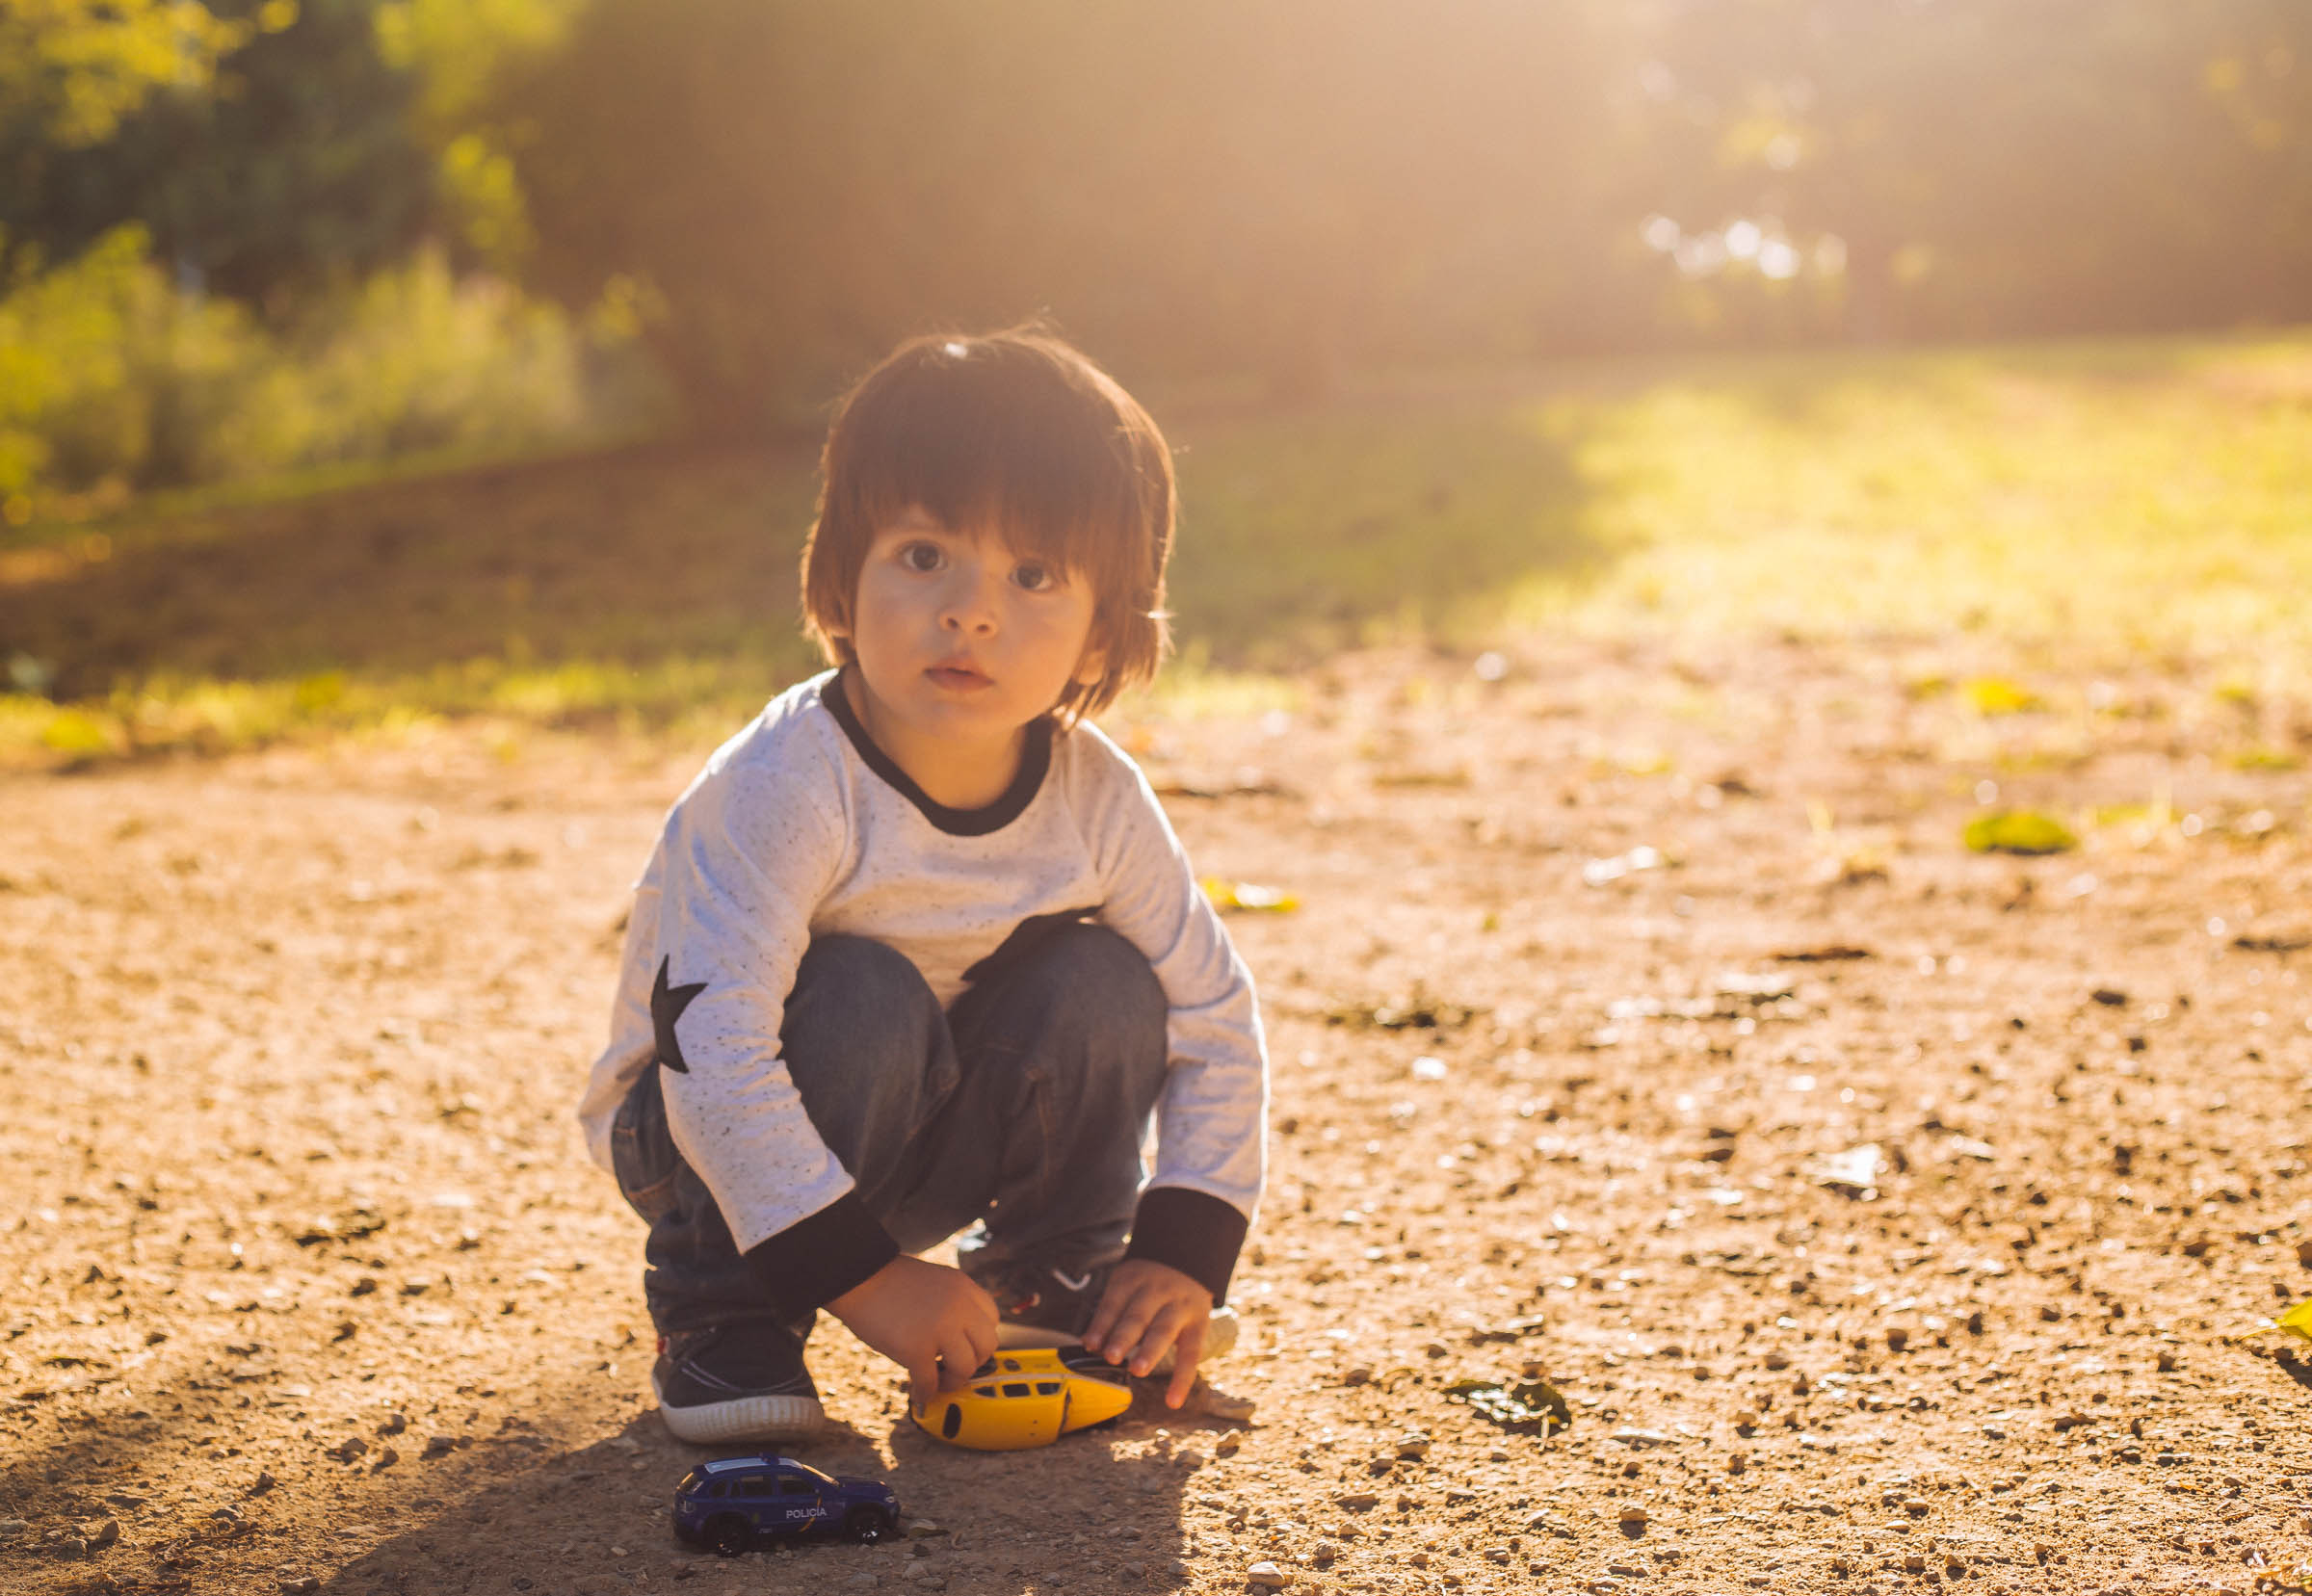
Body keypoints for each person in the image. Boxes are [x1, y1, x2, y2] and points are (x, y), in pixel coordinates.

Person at [576, 328, 1268, 1444]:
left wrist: (1182, 1246)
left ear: (1109, 629)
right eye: (923, 555)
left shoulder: (1095, 796)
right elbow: (713, 1056)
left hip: (924, 1128)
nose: (971, 611)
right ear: (837, 576)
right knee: (864, 990)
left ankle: (1055, 1285)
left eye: (1033, 575)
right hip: (703, 1142)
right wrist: (874, 1284)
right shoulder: (784, 786)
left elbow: (1213, 1014)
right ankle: (722, 1310)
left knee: (1105, 975)